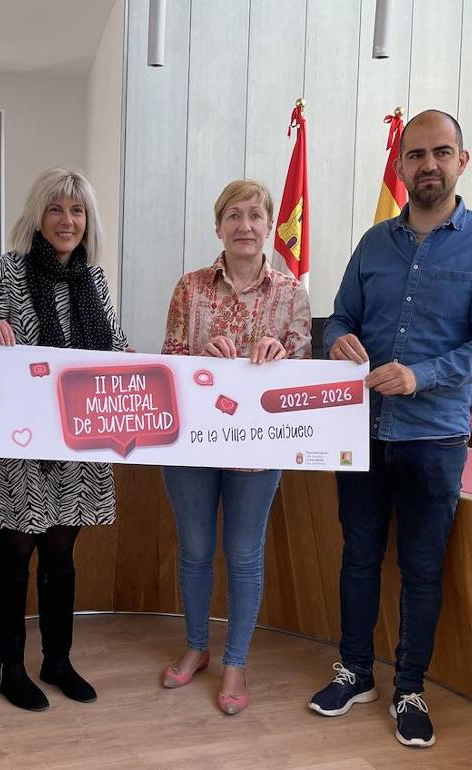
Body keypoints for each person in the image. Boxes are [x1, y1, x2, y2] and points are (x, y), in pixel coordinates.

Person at [308, 110, 472, 748]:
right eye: (416, 154)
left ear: (462, 161)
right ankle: (354, 672)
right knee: (358, 557)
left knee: (422, 569)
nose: (428, 164)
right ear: (400, 165)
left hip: (434, 436)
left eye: (441, 152)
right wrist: (338, 337)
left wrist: (420, 376)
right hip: (361, 429)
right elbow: (339, 317)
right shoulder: (374, 242)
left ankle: (409, 688)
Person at [0, 168, 129, 712]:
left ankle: (58, 661)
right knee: (15, 551)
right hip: (21, 441)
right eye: (56, 209)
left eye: (76, 211)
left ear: (87, 220)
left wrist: (142, 369)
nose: (67, 220)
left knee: (61, 550)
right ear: (38, 216)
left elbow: (116, 350)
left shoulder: (94, 280)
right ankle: (8, 667)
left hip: (78, 442)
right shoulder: (8, 271)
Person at [159, 179, 311, 715]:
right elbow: (168, 361)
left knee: (245, 554)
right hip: (192, 446)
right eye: (234, 216)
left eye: (255, 216)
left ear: (269, 225)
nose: (245, 226)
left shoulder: (291, 294)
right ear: (218, 225)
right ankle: (197, 647)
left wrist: (282, 357)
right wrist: (199, 355)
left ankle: (236, 661)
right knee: (196, 550)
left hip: (257, 450)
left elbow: (304, 378)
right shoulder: (190, 287)